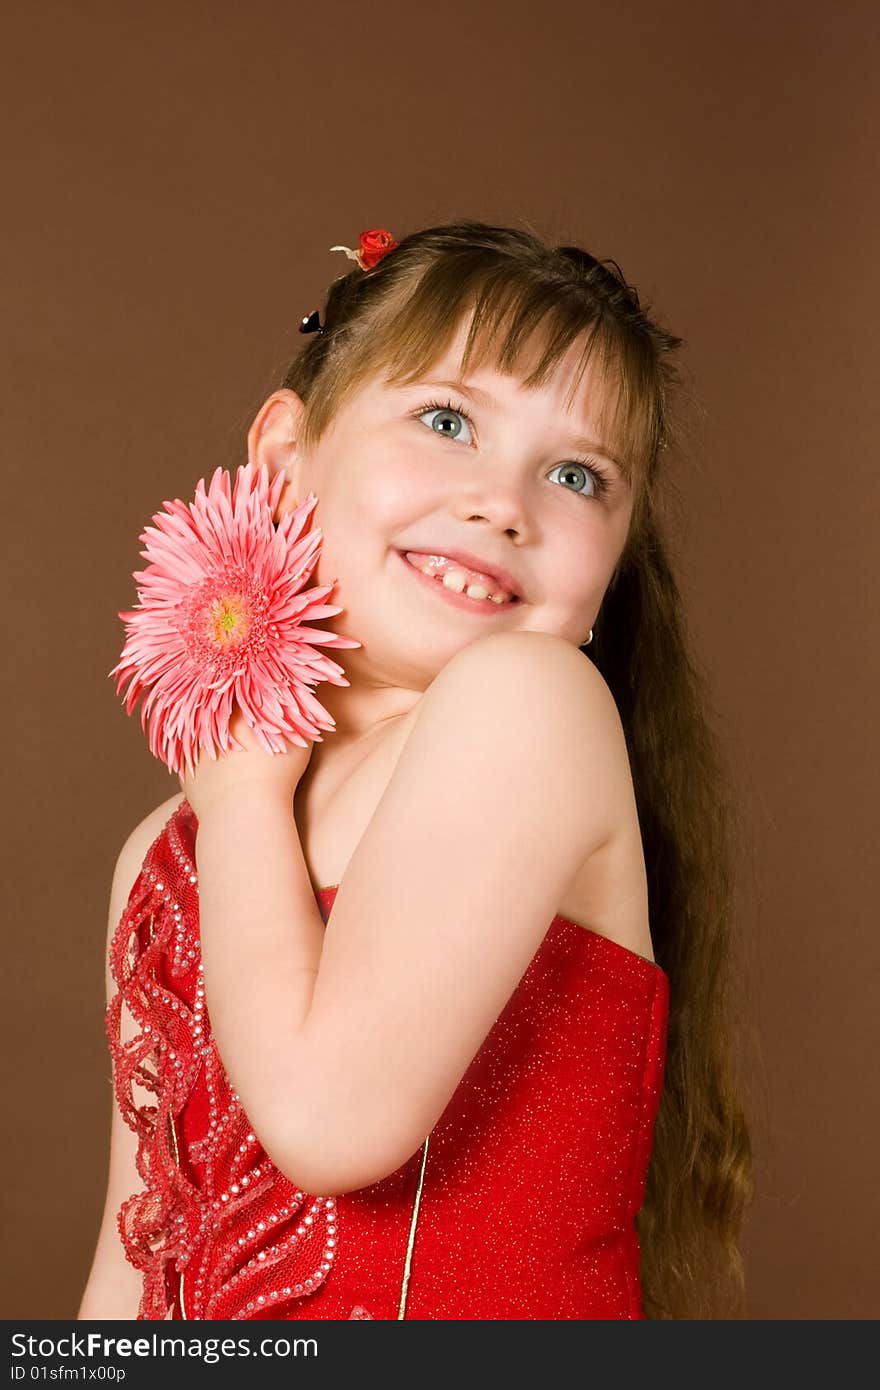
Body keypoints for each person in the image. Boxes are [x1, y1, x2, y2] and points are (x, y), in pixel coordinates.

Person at [78, 220, 754, 1322]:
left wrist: (245, 794)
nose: (503, 502)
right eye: (447, 421)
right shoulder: (165, 852)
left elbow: (330, 1121)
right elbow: (138, 1257)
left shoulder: (529, 706)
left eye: (577, 473)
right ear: (285, 455)